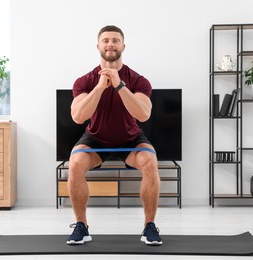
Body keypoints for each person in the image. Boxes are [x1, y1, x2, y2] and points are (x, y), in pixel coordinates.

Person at [67, 25, 162, 246]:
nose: (110, 44)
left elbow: (144, 114)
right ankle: (82, 226)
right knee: (75, 163)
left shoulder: (138, 80)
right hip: (96, 139)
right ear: (98, 46)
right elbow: (78, 117)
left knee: (150, 161)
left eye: (115, 40)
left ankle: (149, 226)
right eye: (106, 40)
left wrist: (119, 85)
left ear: (123, 46)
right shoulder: (85, 81)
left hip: (130, 139)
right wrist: (100, 87)